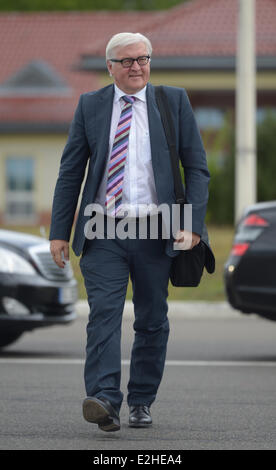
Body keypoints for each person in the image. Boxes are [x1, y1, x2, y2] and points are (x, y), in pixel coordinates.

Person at [49, 32, 210, 432]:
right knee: (103, 314)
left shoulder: (172, 101)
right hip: (103, 230)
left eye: (142, 58)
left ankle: (141, 400)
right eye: (127, 61)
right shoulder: (91, 105)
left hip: (158, 232)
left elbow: (197, 167)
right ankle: (104, 399)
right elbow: (71, 171)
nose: (136, 66)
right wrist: (59, 232)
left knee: (152, 319)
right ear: (110, 67)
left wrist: (192, 225)